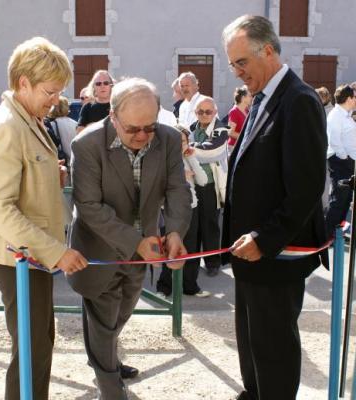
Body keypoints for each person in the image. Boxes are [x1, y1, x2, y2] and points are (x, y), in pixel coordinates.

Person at [221, 15, 328, 400]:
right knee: (252, 343)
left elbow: (306, 187)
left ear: (267, 50)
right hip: (250, 255)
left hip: (275, 255)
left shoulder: (298, 101)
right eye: (232, 64)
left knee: (274, 348)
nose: (236, 72)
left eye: (241, 62)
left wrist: (265, 240)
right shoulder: (264, 97)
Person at [67, 77, 191, 400]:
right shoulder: (86, 145)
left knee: (120, 316)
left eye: (149, 127)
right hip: (99, 250)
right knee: (103, 320)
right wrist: (136, 241)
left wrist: (175, 231)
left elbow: (178, 189)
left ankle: (105, 358)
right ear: (112, 115)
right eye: (133, 129)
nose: (142, 137)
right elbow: (89, 207)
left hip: (142, 253)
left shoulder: (167, 139)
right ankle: (110, 386)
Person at [0, 37, 88, 400]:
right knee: (31, 350)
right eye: (50, 91)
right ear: (23, 82)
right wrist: (56, 251)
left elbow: (23, 179)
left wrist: (47, 174)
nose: (55, 99)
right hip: (19, 257)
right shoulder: (7, 126)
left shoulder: (28, 117)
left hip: (30, 255)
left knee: (39, 344)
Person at [156, 124, 210, 297]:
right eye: (177, 140)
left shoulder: (189, 158)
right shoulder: (161, 159)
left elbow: (203, 180)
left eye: (184, 141)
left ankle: (191, 286)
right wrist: (179, 176)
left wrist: (192, 160)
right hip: (169, 211)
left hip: (191, 208)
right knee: (168, 248)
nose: (181, 144)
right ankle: (164, 288)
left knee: (192, 249)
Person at [190, 96, 229, 277]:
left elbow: (213, 151)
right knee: (194, 224)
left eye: (208, 111)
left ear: (214, 112)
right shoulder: (192, 128)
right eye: (200, 111)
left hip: (211, 184)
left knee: (210, 223)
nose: (204, 115)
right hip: (193, 183)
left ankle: (213, 262)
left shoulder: (221, 129)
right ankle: (194, 260)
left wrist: (189, 148)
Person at [325, 84, 356, 238]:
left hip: (347, 162)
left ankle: (338, 232)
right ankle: (328, 234)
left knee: (346, 199)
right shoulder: (336, 115)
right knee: (338, 199)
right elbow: (334, 141)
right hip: (340, 161)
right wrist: (346, 157)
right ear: (349, 98)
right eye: (355, 97)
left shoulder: (346, 113)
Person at [227, 85, 252, 152]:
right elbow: (230, 132)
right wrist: (246, 137)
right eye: (249, 96)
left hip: (242, 146)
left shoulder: (247, 111)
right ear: (243, 98)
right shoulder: (234, 111)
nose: (251, 98)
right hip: (233, 147)